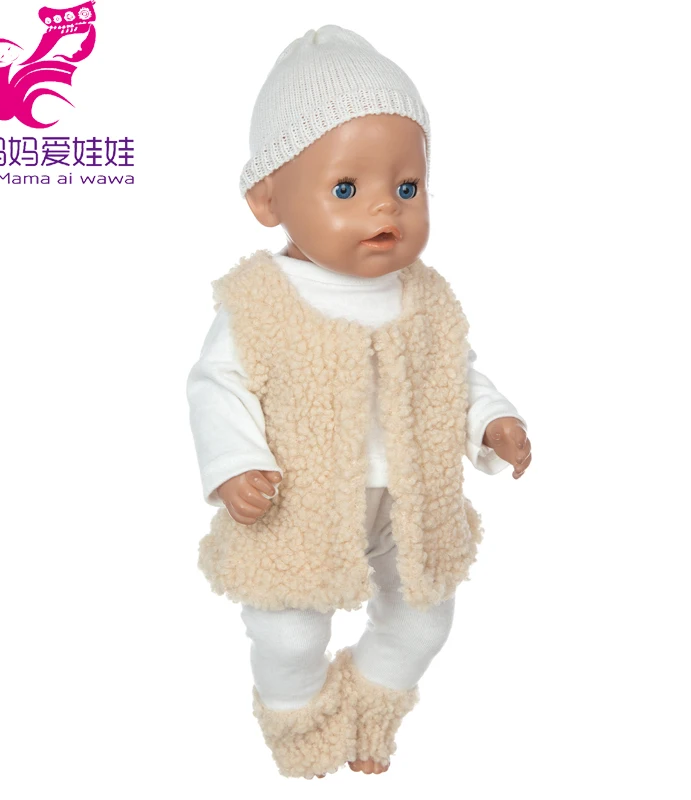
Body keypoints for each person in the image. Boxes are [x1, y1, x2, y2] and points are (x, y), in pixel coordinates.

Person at [186, 25, 533, 780]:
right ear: (267, 197)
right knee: (287, 634)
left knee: (425, 618)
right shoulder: (260, 299)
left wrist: (492, 420)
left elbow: (455, 372)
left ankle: (370, 712)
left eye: (407, 188)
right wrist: (235, 463)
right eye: (346, 189)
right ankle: (300, 727)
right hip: (297, 505)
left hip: (410, 501)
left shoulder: (425, 297)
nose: (386, 209)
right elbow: (217, 385)